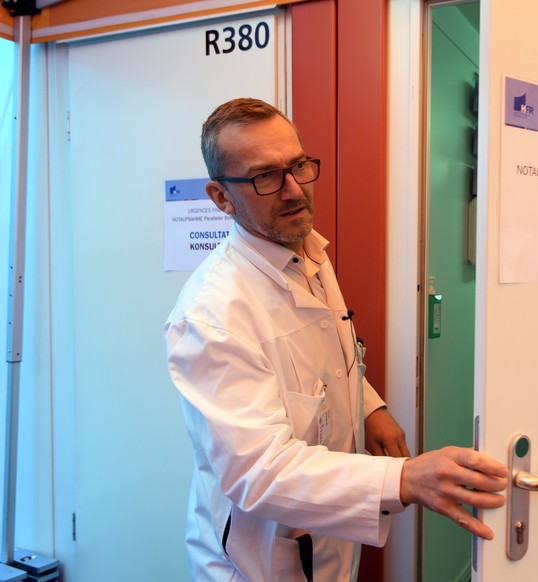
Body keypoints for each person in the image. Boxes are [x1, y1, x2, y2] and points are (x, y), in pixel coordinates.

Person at [163, 97, 507, 581]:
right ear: (221, 197)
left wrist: (369, 408)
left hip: (324, 541)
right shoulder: (211, 315)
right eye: (265, 176)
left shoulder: (305, 247)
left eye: (298, 166)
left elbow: (329, 350)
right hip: (258, 562)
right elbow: (258, 471)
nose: (292, 191)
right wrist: (404, 479)